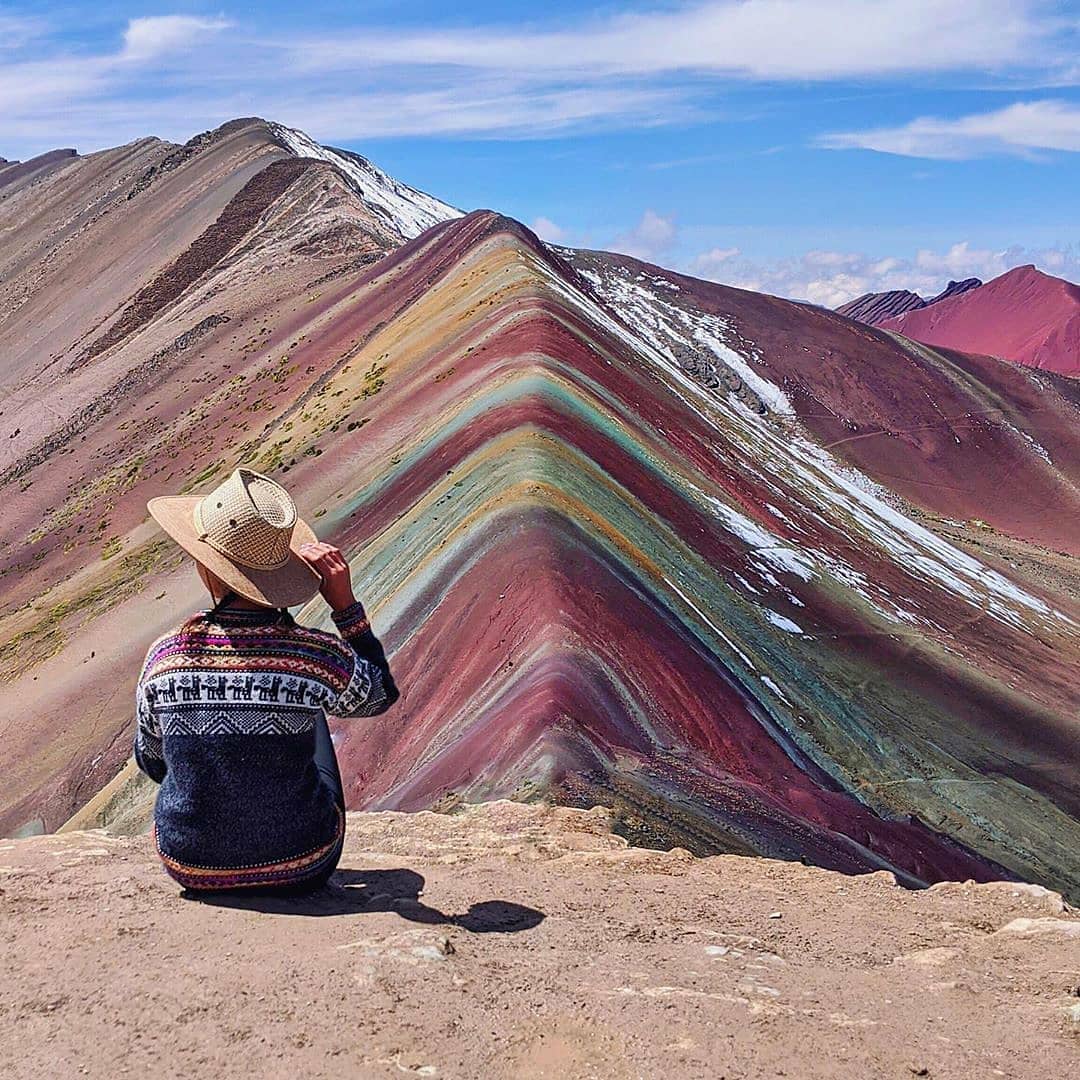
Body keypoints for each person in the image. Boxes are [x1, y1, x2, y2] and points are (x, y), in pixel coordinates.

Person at [133, 466, 398, 894]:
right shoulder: (312, 656)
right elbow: (379, 694)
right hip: (302, 864)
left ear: (207, 568)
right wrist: (345, 606)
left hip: (190, 864)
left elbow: (153, 761)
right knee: (307, 711)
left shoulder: (167, 655)